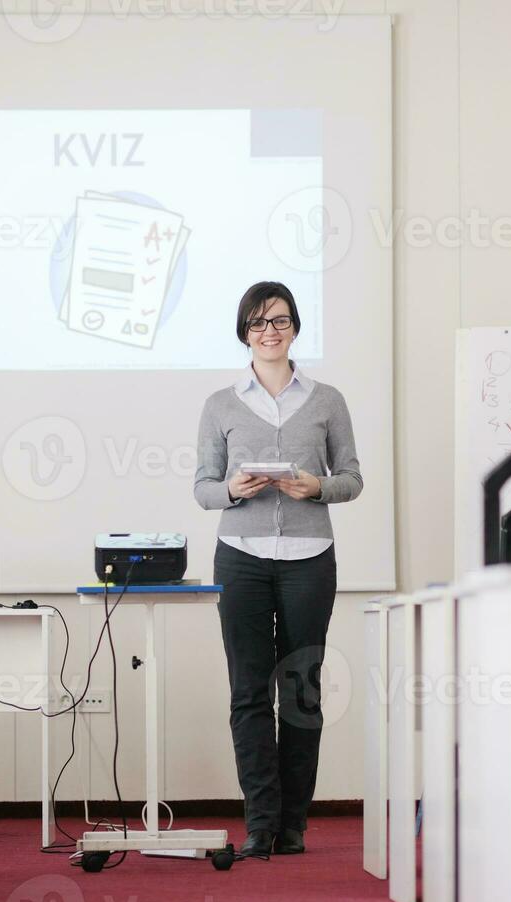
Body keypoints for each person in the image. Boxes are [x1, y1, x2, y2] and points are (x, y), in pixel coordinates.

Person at [193, 281, 362, 859]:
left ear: (295, 328)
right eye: (259, 322)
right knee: (248, 694)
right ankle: (260, 823)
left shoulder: (327, 400)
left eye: (281, 321)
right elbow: (203, 489)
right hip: (240, 557)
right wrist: (234, 491)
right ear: (244, 331)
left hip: (309, 560)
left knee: (301, 692)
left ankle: (294, 824)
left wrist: (317, 486)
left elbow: (353, 479)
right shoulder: (221, 403)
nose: (270, 331)